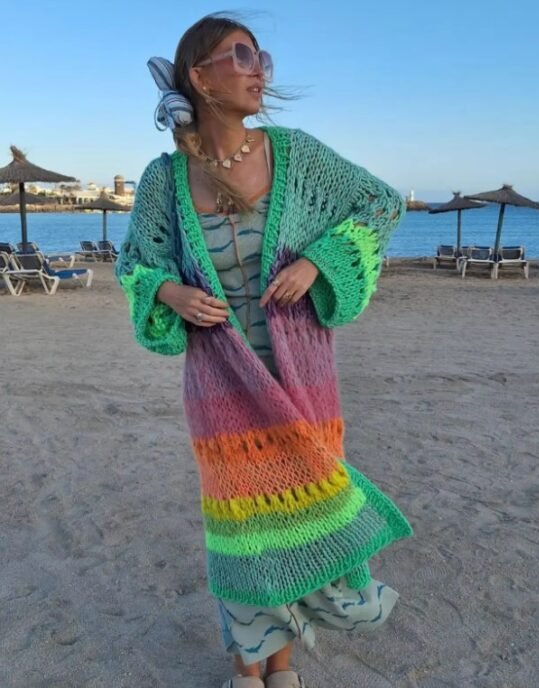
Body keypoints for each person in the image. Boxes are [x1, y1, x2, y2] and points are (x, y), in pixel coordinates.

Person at [115, 13, 413, 688]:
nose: (259, 70)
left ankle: (283, 668)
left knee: (307, 517)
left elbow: (381, 205)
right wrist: (168, 292)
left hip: (303, 377)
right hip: (220, 387)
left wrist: (318, 260)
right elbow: (134, 261)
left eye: (261, 57)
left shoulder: (297, 155)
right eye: (241, 55)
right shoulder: (165, 178)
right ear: (199, 76)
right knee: (242, 530)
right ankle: (249, 671)